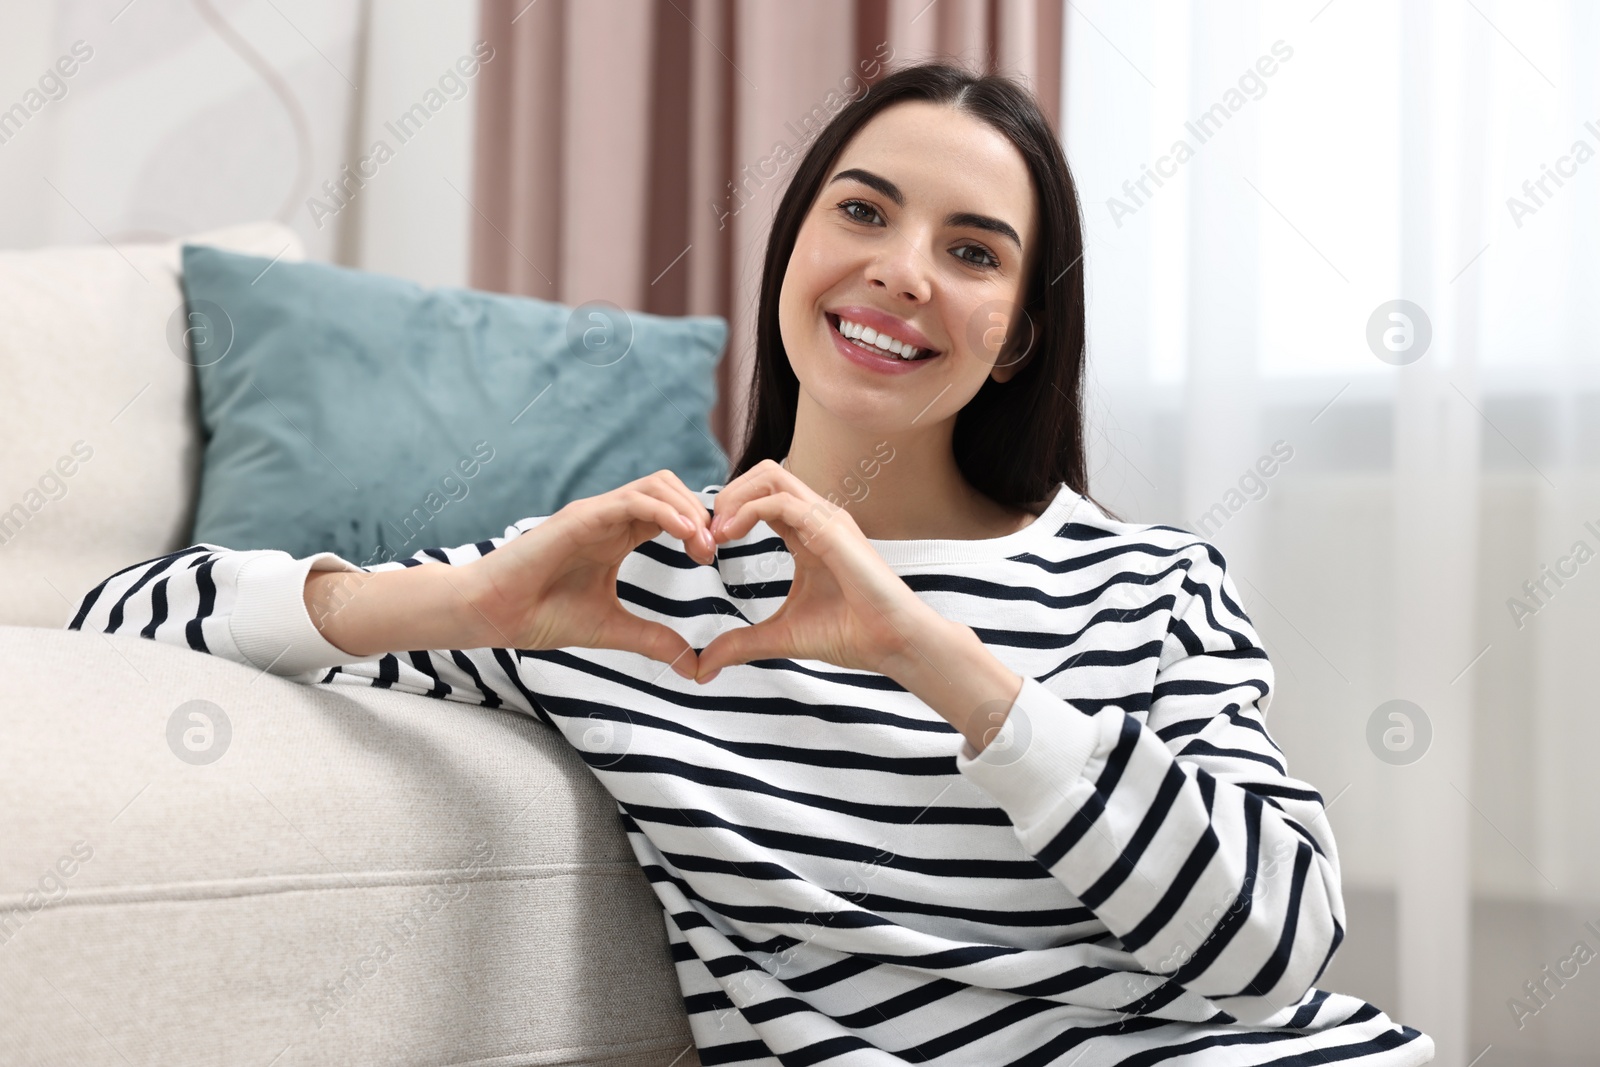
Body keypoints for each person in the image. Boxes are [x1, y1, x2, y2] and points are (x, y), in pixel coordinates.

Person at [69, 61, 1434, 1066]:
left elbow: (1273, 958)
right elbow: (119, 620)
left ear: (1017, 334)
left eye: (972, 251)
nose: (902, 271)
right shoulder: (630, 591)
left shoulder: (1152, 585)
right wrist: (463, 601)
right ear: (794, 253)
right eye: (863, 212)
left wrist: (940, 662)